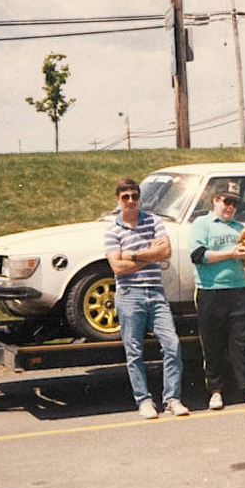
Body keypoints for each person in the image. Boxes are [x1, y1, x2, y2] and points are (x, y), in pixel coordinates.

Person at [104, 178, 189, 419]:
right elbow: (117, 267)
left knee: (172, 344)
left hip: (156, 292)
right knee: (134, 351)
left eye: (134, 196)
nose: (131, 201)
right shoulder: (112, 230)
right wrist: (150, 254)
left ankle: (172, 398)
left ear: (140, 198)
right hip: (129, 294)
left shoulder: (154, 221)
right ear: (118, 199)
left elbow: (166, 251)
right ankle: (143, 400)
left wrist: (131, 255)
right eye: (125, 197)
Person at [189, 181, 245, 412]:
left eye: (235, 203)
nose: (230, 207)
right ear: (215, 200)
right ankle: (215, 391)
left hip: (237, 290)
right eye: (227, 201)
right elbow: (198, 255)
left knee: (242, 343)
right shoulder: (202, 224)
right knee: (212, 344)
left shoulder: (240, 228)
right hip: (210, 290)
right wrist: (231, 253)